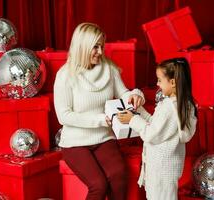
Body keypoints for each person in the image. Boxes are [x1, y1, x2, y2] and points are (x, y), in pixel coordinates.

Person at [53, 22, 145, 200]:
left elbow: (123, 93)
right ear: (82, 46)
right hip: (75, 142)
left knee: (118, 176)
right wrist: (101, 120)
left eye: (102, 46)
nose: (101, 52)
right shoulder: (65, 75)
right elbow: (63, 116)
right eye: (95, 47)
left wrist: (134, 95)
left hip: (103, 137)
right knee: (98, 185)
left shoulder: (109, 68)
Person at [117, 57, 197, 200]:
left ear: (172, 82)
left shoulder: (168, 107)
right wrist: (139, 111)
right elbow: (156, 125)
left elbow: (151, 134)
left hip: (161, 170)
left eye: (160, 80)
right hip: (166, 170)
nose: (157, 83)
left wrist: (133, 119)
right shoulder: (180, 104)